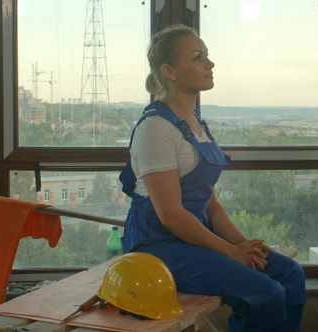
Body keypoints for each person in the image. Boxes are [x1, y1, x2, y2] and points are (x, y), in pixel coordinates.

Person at [119, 24, 306, 332]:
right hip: (160, 245)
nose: (210, 64)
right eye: (197, 57)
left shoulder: (195, 123)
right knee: (265, 293)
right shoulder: (155, 128)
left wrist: (244, 244)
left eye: (207, 55)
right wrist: (232, 253)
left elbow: (212, 206)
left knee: (289, 274)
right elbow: (172, 216)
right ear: (170, 71)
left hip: (194, 236)